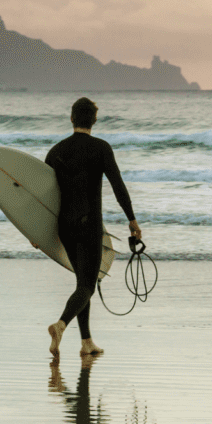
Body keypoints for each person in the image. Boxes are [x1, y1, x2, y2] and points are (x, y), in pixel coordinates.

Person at [44, 97, 141, 358]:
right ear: (94, 120)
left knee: (81, 283)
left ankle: (86, 342)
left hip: (65, 227)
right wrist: (131, 219)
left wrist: (39, 232)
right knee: (88, 285)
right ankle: (61, 325)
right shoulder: (101, 148)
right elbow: (118, 186)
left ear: (72, 118)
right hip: (89, 226)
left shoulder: (56, 151)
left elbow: (43, 195)